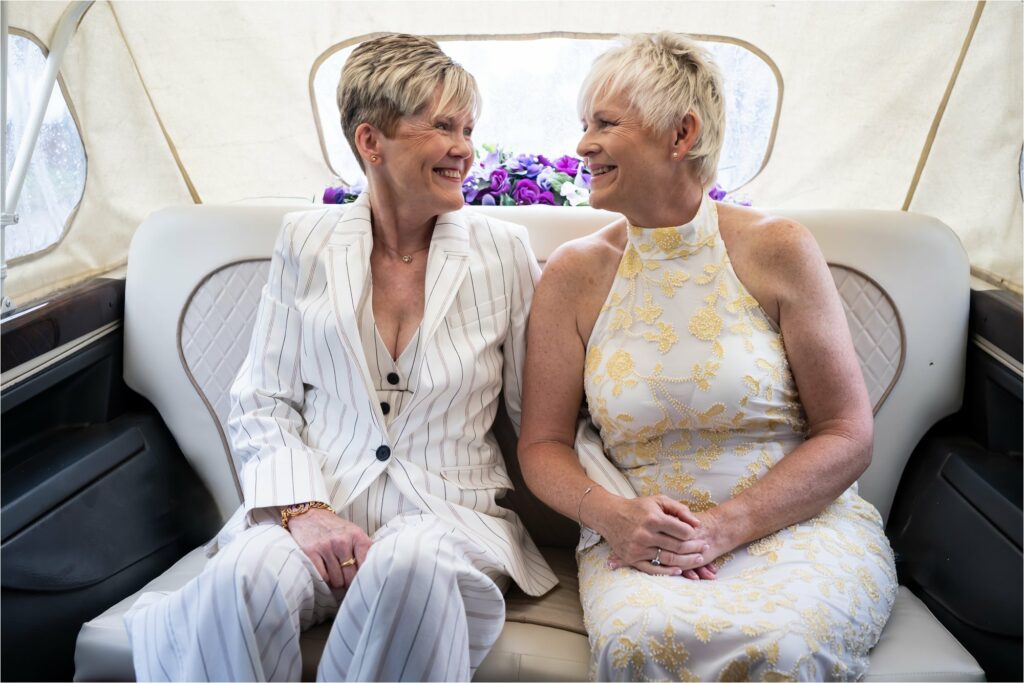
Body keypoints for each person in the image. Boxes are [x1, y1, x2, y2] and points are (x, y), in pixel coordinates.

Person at [124, 33, 555, 682]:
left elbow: (539, 416)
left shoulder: (505, 251)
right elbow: (263, 399)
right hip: (321, 506)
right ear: (370, 141)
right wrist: (303, 509)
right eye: (443, 126)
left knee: (408, 561)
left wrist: (631, 504)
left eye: (469, 127)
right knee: (244, 575)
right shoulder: (307, 240)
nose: (466, 147)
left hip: (448, 519)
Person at [519, 32, 896, 681]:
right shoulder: (574, 274)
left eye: (604, 124)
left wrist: (723, 527)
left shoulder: (778, 248)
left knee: (782, 645)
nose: (581, 144)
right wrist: (611, 516)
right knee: (642, 642)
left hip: (798, 529)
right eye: (584, 124)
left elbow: (848, 433)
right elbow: (542, 445)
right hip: (641, 541)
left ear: (681, 133)